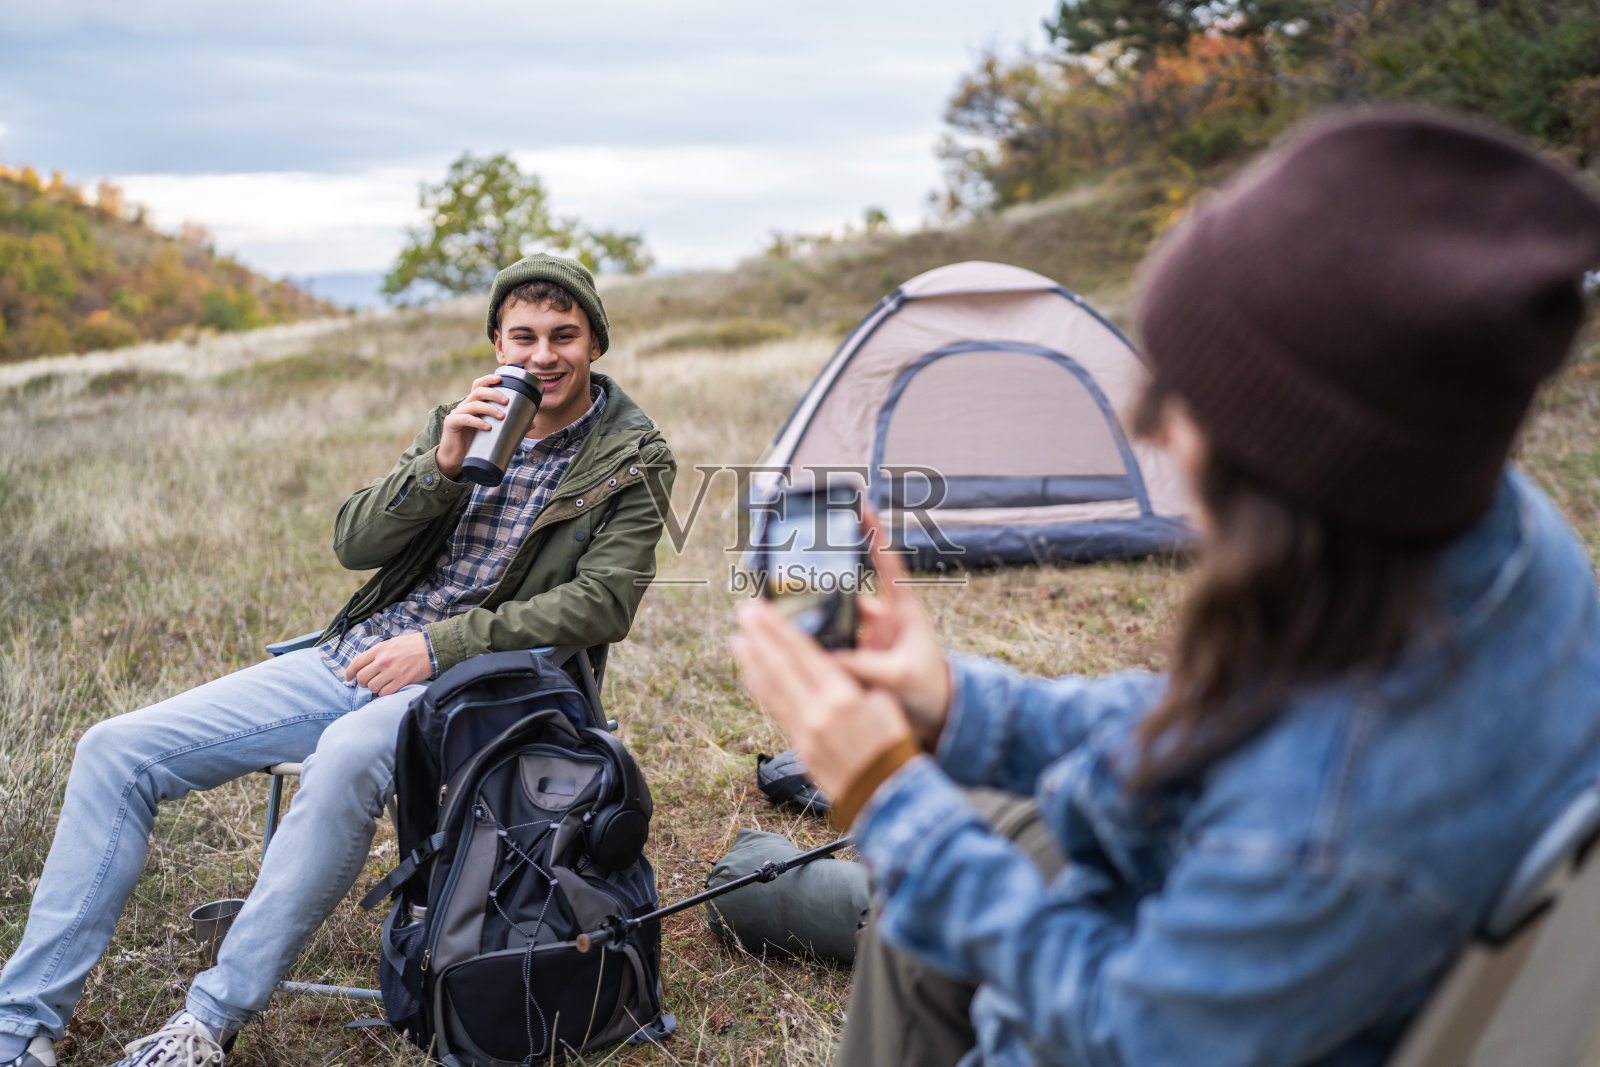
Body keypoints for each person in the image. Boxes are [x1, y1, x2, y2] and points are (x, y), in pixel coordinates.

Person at [732, 109, 1600, 1067]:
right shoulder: (1492, 531)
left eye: (1190, 400)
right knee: (956, 849)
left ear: (1290, 459)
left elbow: (1117, 1032)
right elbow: (1250, 721)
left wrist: (883, 791)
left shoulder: (1326, 825)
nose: (1152, 432)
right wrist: (958, 703)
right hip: (1273, 945)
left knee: (933, 856)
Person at [0, 253, 676, 1067]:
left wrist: (440, 646)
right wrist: (441, 465)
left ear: (596, 342)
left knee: (347, 755)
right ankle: (20, 1025)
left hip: (481, 687)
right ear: (497, 343)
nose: (543, 356)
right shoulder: (463, 419)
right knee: (114, 749)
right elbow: (354, 542)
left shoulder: (634, 455)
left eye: (563, 336)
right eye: (523, 336)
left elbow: (602, 603)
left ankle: (206, 1021)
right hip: (357, 656)